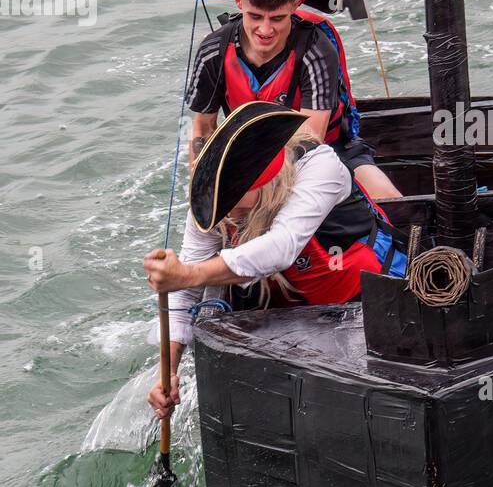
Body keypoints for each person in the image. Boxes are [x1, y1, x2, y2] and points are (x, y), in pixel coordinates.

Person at [144, 102, 407, 419]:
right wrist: (168, 370)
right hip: (295, 318)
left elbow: (283, 245)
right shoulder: (214, 203)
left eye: (237, 210)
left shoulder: (320, 167)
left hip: (370, 302)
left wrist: (189, 274)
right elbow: (184, 292)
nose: (228, 218)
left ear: (267, 185)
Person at [185, 0, 401, 201]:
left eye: (277, 18)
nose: (265, 30)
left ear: (296, 4)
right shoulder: (213, 51)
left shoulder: (315, 49)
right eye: (255, 16)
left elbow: (310, 139)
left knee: (391, 200)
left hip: (327, 153)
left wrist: (267, 193)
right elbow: (203, 129)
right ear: (238, 1)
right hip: (246, 162)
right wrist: (202, 186)